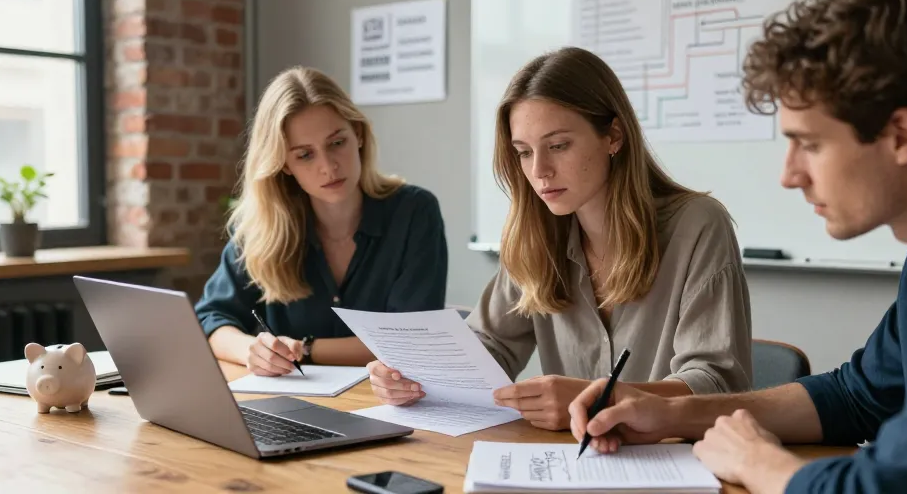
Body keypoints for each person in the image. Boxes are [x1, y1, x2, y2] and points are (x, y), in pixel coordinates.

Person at [568, 0, 907, 492]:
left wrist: (759, 462)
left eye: (810, 144)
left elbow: (902, 485)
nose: (789, 174)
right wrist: (671, 412)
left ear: (902, 136)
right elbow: (859, 396)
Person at [367, 46, 753, 429]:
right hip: (567, 462)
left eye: (558, 146)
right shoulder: (535, 235)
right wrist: (409, 377)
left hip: (676, 463)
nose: (539, 171)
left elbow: (717, 384)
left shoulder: (698, 226)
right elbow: (489, 348)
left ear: (613, 135)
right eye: (523, 152)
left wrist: (604, 399)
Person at [195, 66, 448, 376]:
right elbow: (211, 318)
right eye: (305, 155)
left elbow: (412, 341)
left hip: (387, 404)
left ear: (358, 134)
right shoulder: (260, 227)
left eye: (336, 143)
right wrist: (251, 351)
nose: (328, 167)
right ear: (283, 164)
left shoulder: (414, 213)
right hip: (289, 404)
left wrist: (303, 348)